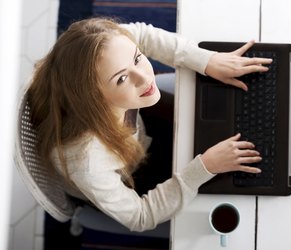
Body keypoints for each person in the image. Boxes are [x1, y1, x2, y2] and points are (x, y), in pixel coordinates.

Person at [26, 17, 272, 232]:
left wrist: (206, 60)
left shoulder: (106, 47)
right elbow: (140, 216)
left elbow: (141, 34)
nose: (146, 77)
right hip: (131, 173)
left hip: (137, 129)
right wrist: (204, 167)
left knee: (220, 113)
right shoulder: (87, 161)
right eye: (122, 77)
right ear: (92, 99)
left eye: (137, 58)